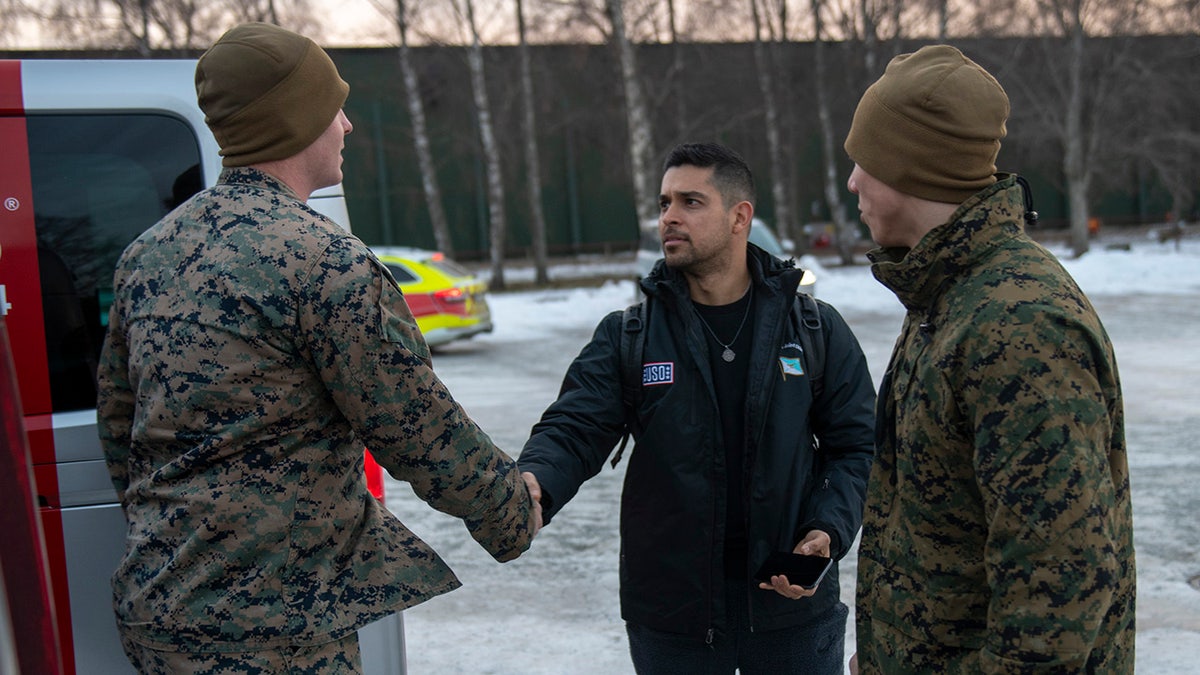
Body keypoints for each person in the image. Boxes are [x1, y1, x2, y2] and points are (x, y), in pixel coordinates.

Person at [96, 22, 540, 672]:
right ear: (297, 118)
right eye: (335, 106)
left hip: (162, 610)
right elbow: (417, 426)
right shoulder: (324, 262)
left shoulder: (149, 255)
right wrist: (511, 509)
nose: (348, 126)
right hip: (274, 628)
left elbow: (119, 430)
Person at [519, 142, 876, 673]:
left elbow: (857, 446)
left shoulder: (814, 328)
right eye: (664, 203)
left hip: (791, 611)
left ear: (739, 217)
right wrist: (537, 480)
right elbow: (574, 426)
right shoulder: (630, 336)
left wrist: (827, 528)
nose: (669, 217)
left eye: (690, 202)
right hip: (674, 617)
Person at [843, 45, 1135, 672]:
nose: (853, 182)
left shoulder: (1020, 324)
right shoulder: (948, 293)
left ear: (913, 169)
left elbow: (1058, 591)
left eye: (865, 162)